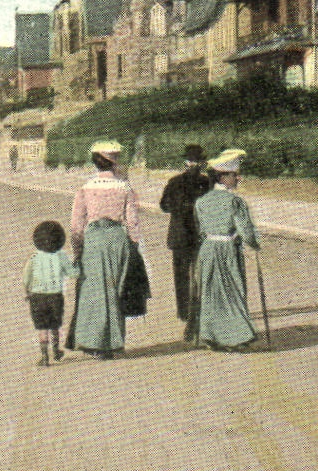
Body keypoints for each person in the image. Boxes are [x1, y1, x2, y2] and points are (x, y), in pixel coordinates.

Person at [66, 140, 150, 360]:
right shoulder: (125, 188)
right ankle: (114, 342)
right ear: (114, 162)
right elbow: (132, 222)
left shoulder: (85, 188)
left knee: (93, 292)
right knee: (115, 290)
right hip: (117, 240)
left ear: (95, 162)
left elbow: (76, 225)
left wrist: (77, 251)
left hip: (93, 241)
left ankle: (94, 342)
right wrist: (134, 246)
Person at [193, 149, 261, 352]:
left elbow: (201, 229)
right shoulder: (235, 201)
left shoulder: (201, 201)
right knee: (231, 291)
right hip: (227, 250)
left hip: (207, 250)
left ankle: (211, 335)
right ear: (223, 177)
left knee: (211, 292)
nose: (238, 178)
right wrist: (254, 244)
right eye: (234, 175)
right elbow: (246, 230)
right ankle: (234, 337)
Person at [159, 143, 213, 342]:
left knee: (185, 276)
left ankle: (186, 311)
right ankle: (191, 311)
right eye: (192, 161)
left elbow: (164, 205)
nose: (193, 164)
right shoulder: (204, 183)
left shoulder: (177, 182)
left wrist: (179, 207)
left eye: (195, 161)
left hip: (185, 234)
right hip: (194, 235)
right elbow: (164, 205)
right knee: (194, 276)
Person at [22, 220, 76, 367]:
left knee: (42, 327)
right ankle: (56, 350)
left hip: (37, 297)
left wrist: (27, 291)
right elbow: (73, 273)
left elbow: (26, 278)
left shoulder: (34, 258)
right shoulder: (61, 256)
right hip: (55, 296)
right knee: (54, 325)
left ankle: (44, 356)